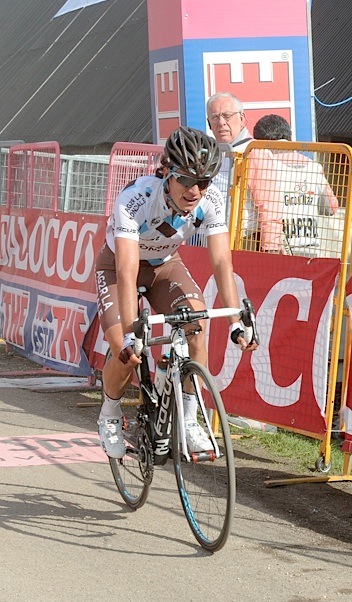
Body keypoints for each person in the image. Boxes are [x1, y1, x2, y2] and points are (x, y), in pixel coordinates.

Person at [94, 126, 258, 459]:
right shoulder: (136, 199)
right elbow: (126, 271)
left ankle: (188, 419)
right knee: (127, 351)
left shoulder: (211, 200)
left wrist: (236, 321)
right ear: (167, 173)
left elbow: (221, 262)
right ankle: (109, 414)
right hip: (117, 267)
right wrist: (130, 333)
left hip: (165, 265)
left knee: (196, 325)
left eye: (204, 181)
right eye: (185, 179)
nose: (195, 191)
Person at [246, 114, 340, 255]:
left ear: (259, 142)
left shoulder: (265, 166)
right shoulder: (314, 167)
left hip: (281, 249)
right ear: (289, 136)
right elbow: (331, 208)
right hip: (312, 250)